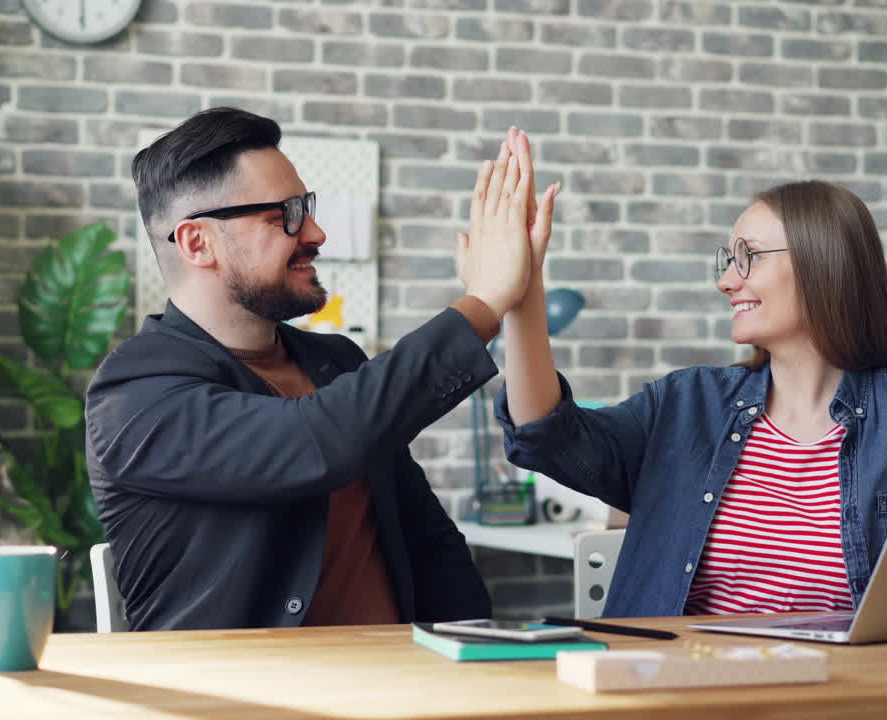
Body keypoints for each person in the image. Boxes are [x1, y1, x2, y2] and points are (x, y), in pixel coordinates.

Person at [492, 128, 887, 616]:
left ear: (822, 266)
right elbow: (547, 433)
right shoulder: (683, 408)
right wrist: (523, 292)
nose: (728, 280)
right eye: (728, 260)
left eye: (747, 258)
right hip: (685, 696)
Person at [84, 107, 547, 630]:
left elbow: (427, 541)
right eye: (284, 214)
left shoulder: (337, 363)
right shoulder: (133, 395)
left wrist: (472, 661)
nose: (317, 233)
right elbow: (318, 440)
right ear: (198, 243)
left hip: (401, 688)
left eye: (306, 207)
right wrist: (484, 303)